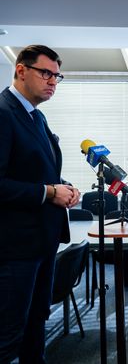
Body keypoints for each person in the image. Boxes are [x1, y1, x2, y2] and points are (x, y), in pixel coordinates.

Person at [0, 45, 80, 363]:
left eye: (56, 76)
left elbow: (36, 170)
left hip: (42, 243)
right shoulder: (3, 113)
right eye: (45, 73)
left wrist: (64, 188)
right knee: (9, 335)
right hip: (14, 249)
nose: (52, 82)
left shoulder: (35, 115)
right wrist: (49, 192)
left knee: (36, 324)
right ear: (21, 71)